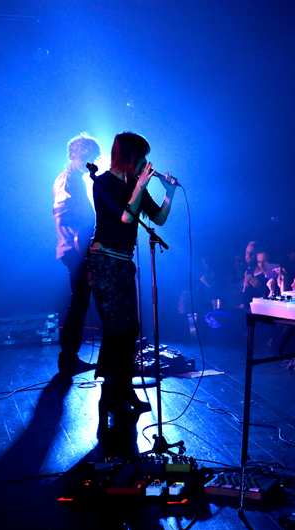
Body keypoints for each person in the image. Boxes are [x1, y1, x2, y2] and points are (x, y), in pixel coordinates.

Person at [87, 132, 177, 428]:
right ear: (130, 157)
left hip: (124, 265)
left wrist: (169, 192)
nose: (146, 164)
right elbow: (125, 217)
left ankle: (123, 388)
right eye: (142, 158)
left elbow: (158, 218)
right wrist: (139, 186)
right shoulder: (103, 183)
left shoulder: (131, 185)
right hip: (104, 263)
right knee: (116, 329)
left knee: (130, 329)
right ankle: (109, 393)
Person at [53, 133, 101, 374]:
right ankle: (68, 359)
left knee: (80, 304)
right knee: (78, 304)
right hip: (75, 250)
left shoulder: (78, 179)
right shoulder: (66, 179)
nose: (90, 161)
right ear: (75, 155)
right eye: (87, 156)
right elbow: (62, 214)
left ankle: (69, 358)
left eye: (93, 157)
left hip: (80, 249)